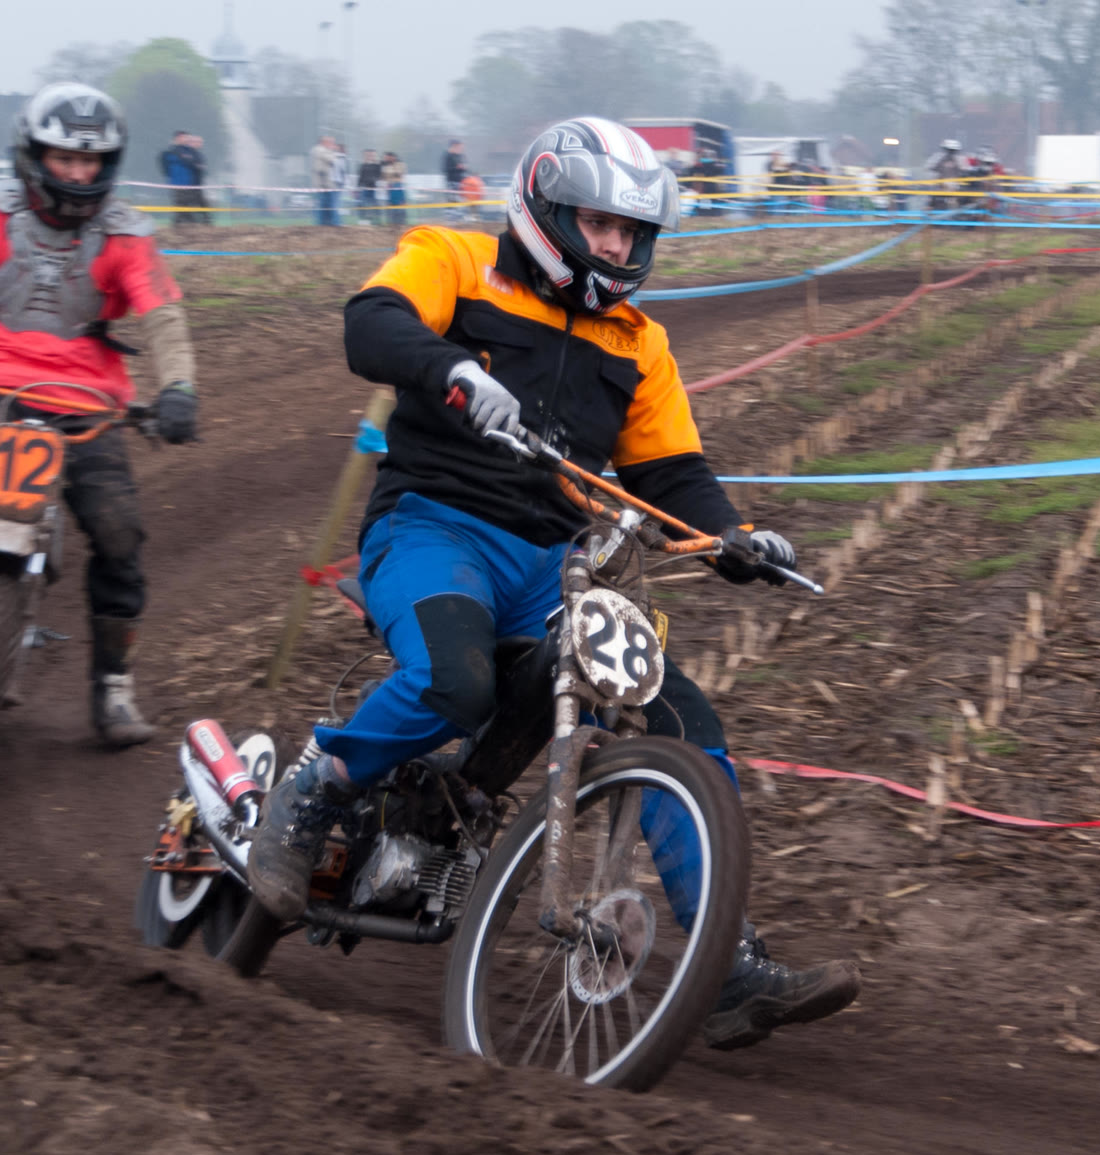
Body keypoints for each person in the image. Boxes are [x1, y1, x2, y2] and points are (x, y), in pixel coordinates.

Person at [246, 115, 861, 1052]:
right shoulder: (454, 259)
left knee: (677, 718)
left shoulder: (640, 343)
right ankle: (317, 784)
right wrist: (452, 369)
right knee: (454, 681)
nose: (614, 246)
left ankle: (726, 963)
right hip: (431, 525)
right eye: (598, 224)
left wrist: (732, 539)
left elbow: (671, 473)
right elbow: (371, 322)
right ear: (546, 211)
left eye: (631, 232)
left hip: (552, 561)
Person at [0, 82, 199, 745]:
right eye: (64, 158)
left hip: (87, 401)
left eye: (91, 161)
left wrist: (179, 389)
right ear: (32, 155)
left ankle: (113, 687)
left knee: (118, 532)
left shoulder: (127, 234)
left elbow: (164, 319)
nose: (78, 174)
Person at [159, 129, 209, 227]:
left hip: (190, 184)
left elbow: (196, 166)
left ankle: (186, 224)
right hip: (178, 184)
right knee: (182, 207)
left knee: (187, 207)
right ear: (178, 138)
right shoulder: (171, 152)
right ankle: (186, 225)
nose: (187, 139)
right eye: (185, 137)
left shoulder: (190, 151)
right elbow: (165, 166)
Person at [310, 134, 342, 226]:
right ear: (323, 142)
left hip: (327, 183)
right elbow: (332, 160)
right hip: (323, 183)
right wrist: (333, 151)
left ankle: (326, 223)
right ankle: (325, 223)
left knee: (327, 204)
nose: (332, 144)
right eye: (330, 142)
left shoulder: (322, 150)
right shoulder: (319, 150)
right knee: (324, 204)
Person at [380, 151, 407, 229]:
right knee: (390, 204)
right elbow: (383, 176)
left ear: (392, 157)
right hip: (389, 186)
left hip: (398, 185)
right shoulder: (385, 166)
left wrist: (391, 171)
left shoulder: (400, 164)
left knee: (400, 204)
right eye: (385, 158)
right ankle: (392, 222)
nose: (386, 159)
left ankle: (401, 222)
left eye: (387, 157)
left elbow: (399, 174)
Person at [356, 149, 381, 226]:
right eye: (367, 155)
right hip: (364, 187)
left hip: (372, 187)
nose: (369, 156)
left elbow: (378, 175)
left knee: (373, 203)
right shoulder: (363, 165)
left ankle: (375, 220)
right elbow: (360, 176)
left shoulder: (377, 165)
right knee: (363, 203)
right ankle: (363, 219)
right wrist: (358, 186)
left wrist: (373, 181)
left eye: (371, 155)